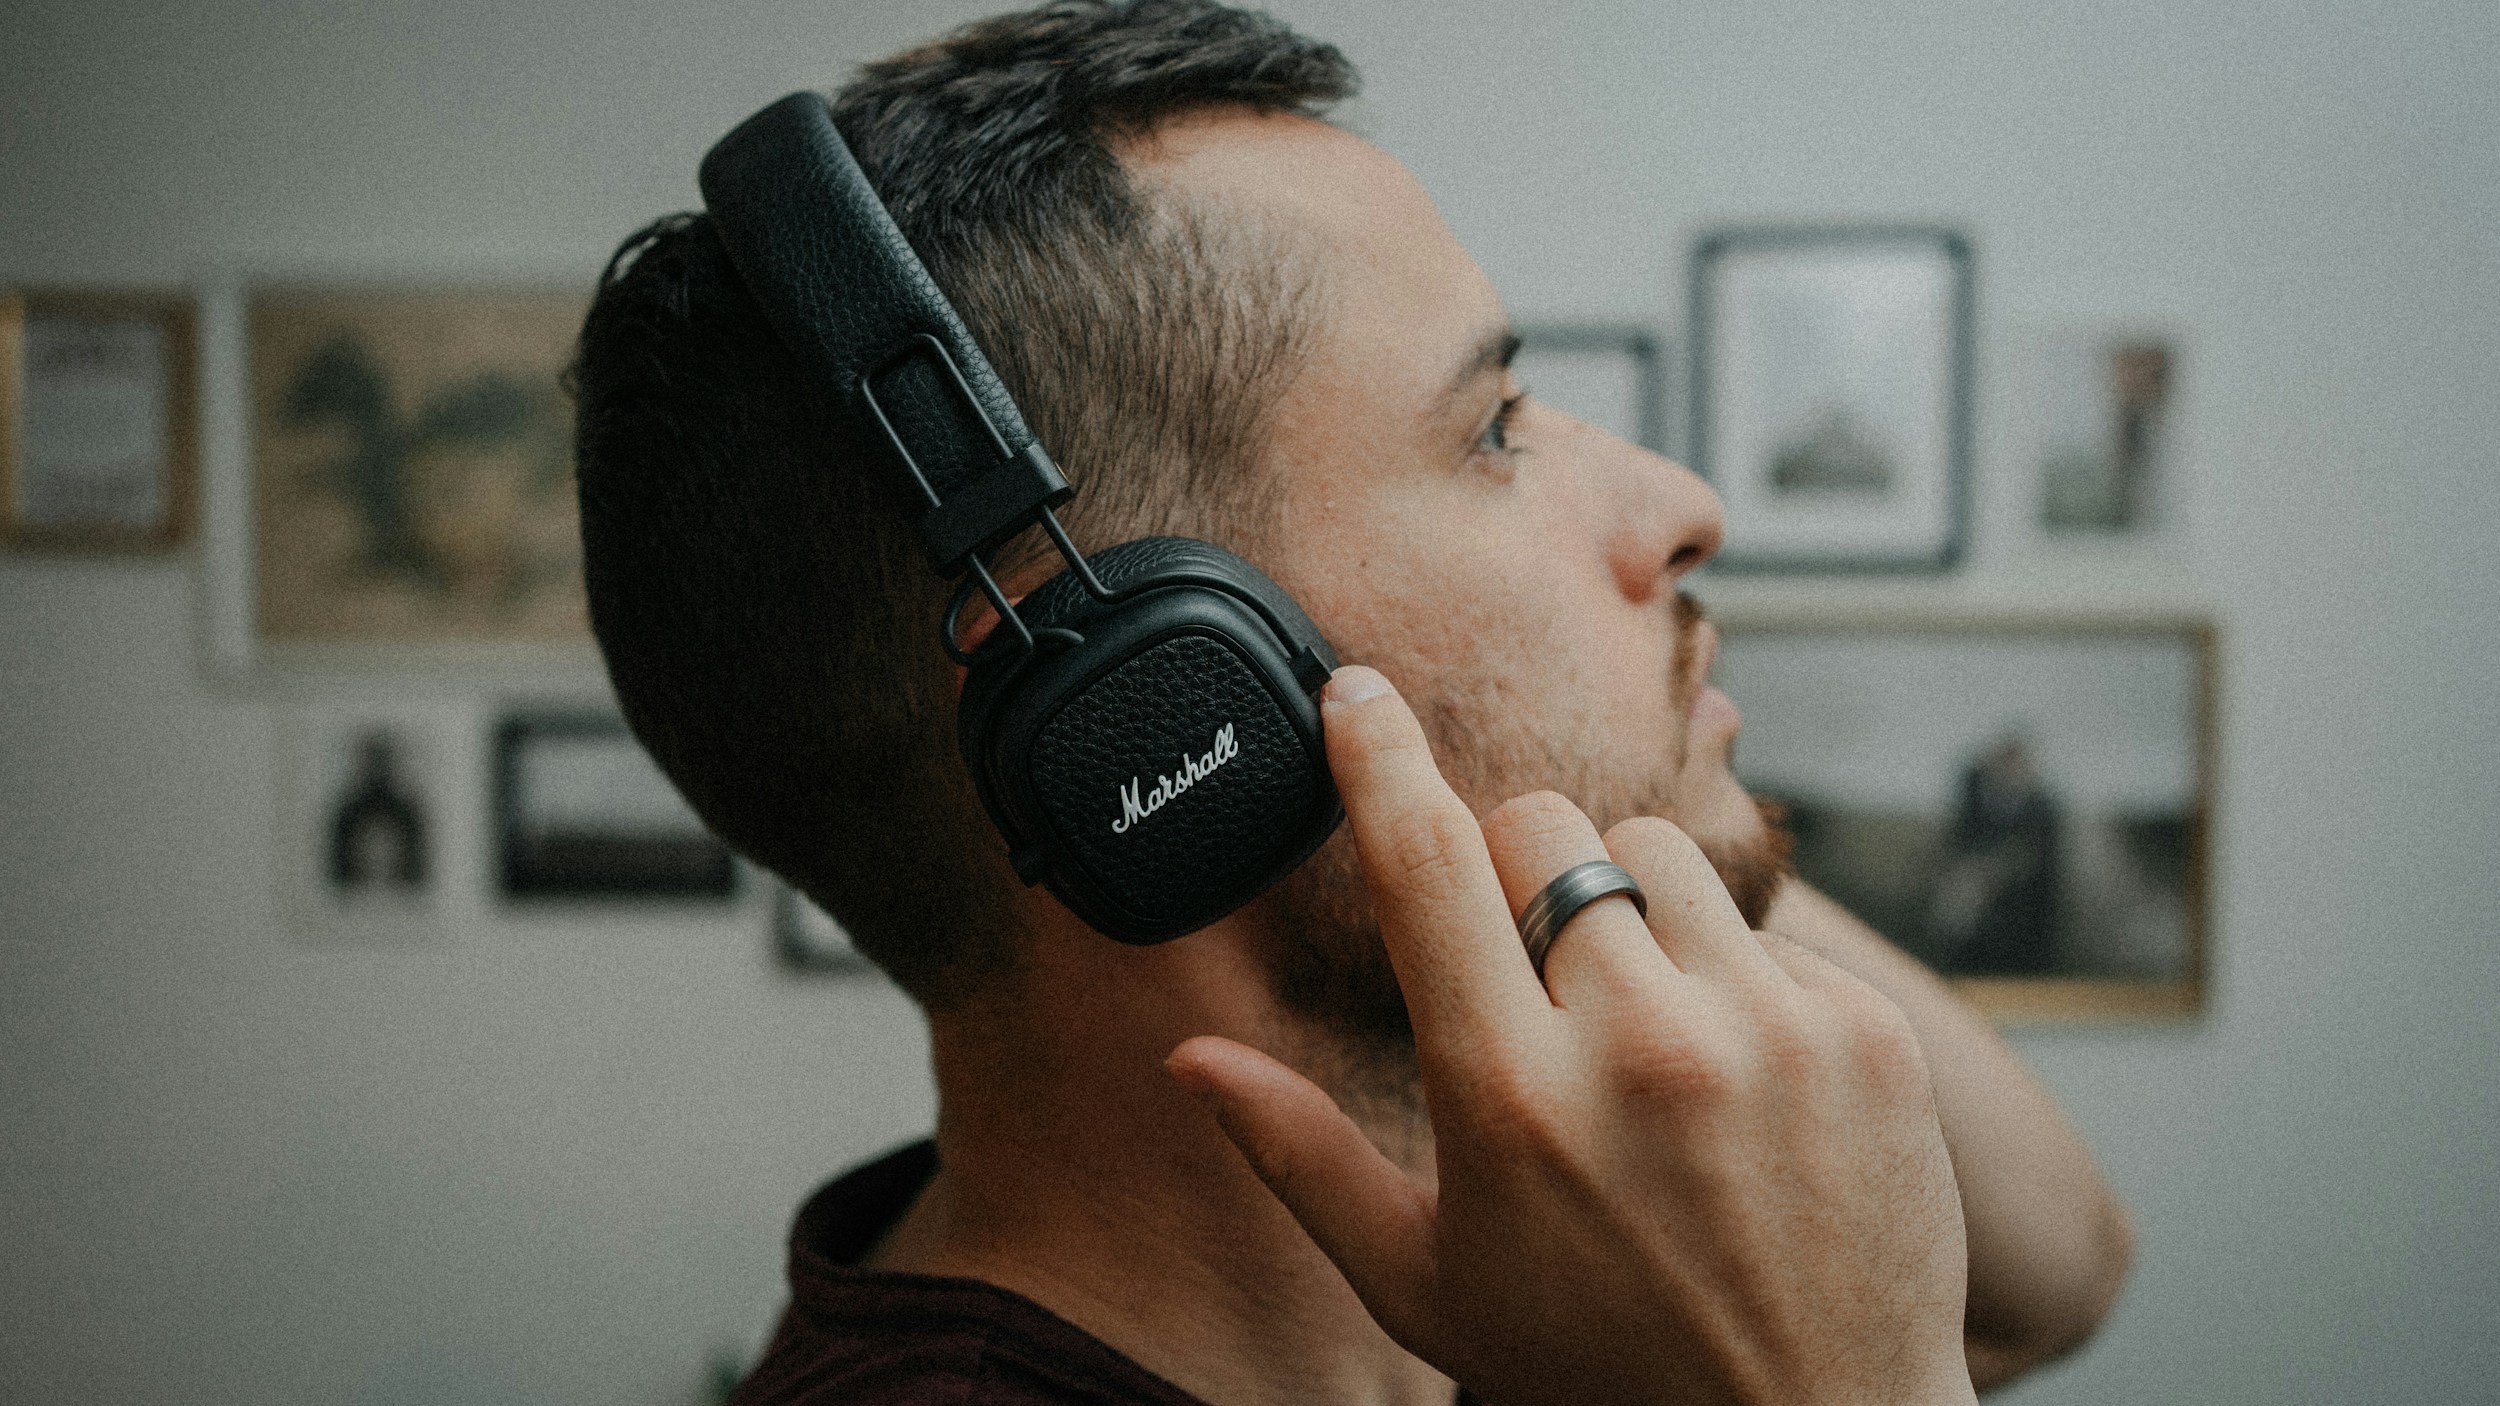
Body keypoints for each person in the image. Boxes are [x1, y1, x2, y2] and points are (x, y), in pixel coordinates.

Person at [570, 2, 2133, 1401]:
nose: (1684, 503)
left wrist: (1634, 802)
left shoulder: (1555, 1295)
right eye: (1496, 429)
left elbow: (2052, 1271)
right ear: (1175, 710)